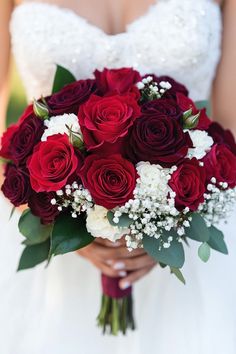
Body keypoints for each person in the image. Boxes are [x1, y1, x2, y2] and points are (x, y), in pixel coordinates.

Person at [0, 1, 235, 353]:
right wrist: (49, 216)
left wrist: (175, 222)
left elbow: (230, 128)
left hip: (186, 237)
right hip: (50, 248)